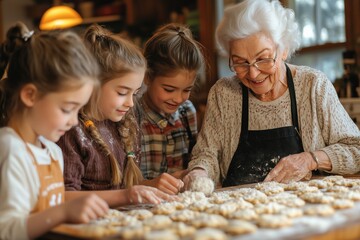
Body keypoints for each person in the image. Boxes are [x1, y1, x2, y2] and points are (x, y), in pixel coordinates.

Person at [183, 0, 360, 188]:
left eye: (263, 59)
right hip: (241, 211)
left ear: (283, 49)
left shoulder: (313, 86)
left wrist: (311, 159)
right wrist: (198, 173)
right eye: (240, 62)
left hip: (310, 212)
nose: (253, 73)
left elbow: (356, 150)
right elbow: (206, 155)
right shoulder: (223, 93)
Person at [0, 24, 108, 239]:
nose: (74, 122)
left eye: (79, 110)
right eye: (67, 109)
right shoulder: (9, 149)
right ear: (30, 95)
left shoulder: (52, 151)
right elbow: (6, 230)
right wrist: (63, 212)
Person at [57, 24, 180, 201]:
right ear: (92, 84)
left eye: (135, 93)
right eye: (122, 92)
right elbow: (64, 197)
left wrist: (152, 185)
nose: (130, 103)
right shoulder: (71, 130)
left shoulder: (125, 123)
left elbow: (127, 187)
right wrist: (126, 196)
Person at [135, 23, 205, 187]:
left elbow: (194, 158)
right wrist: (151, 184)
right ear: (147, 77)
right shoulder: (131, 117)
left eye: (187, 89)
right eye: (169, 89)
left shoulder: (187, 112)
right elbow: (123, 184)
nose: (178, 98)